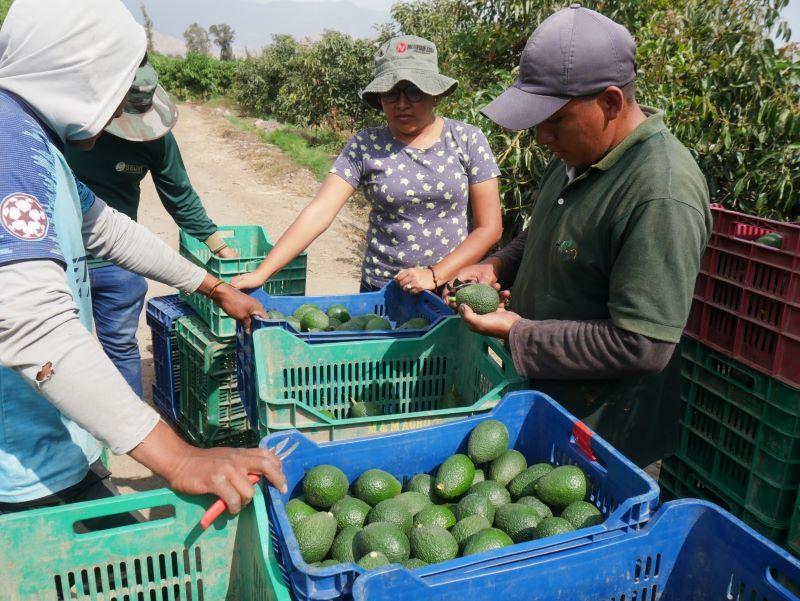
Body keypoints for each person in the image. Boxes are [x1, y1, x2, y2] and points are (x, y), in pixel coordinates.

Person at [0, 0, 284, 517]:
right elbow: (29, 324)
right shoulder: (7, 145)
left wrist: (215, 287)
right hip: (22, 467)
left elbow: (109, 230)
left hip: (59, 436)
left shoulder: (35, 141)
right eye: (115, 89)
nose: (116, 114)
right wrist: (177, 458)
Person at [451, 6, 712, 467]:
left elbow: (643, 345)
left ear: (611, 103)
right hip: (548, 406)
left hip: (605, 440)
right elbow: (543, 235)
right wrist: (497, 264)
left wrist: (519, 332)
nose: (540, 136)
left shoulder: (660, 192)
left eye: (554, 120)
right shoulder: (578, 152)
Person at [232, 35, 502, 295]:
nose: (402, 104)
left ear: (435, 95)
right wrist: (262, 273)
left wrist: (434, 274)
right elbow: (319, 212)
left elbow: (489, 227)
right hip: (384, 290)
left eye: (414, 92)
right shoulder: (366, 144)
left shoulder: (467, 139)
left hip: (452, 288)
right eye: (391, 94)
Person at [65, 63, 236, 397]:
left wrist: (220, 248)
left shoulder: (156, 142)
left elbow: (180, 196)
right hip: (64, 261)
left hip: (120, 259)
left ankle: (128, 437)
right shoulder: (65, 126)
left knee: (120, 347)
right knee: (65, 352)